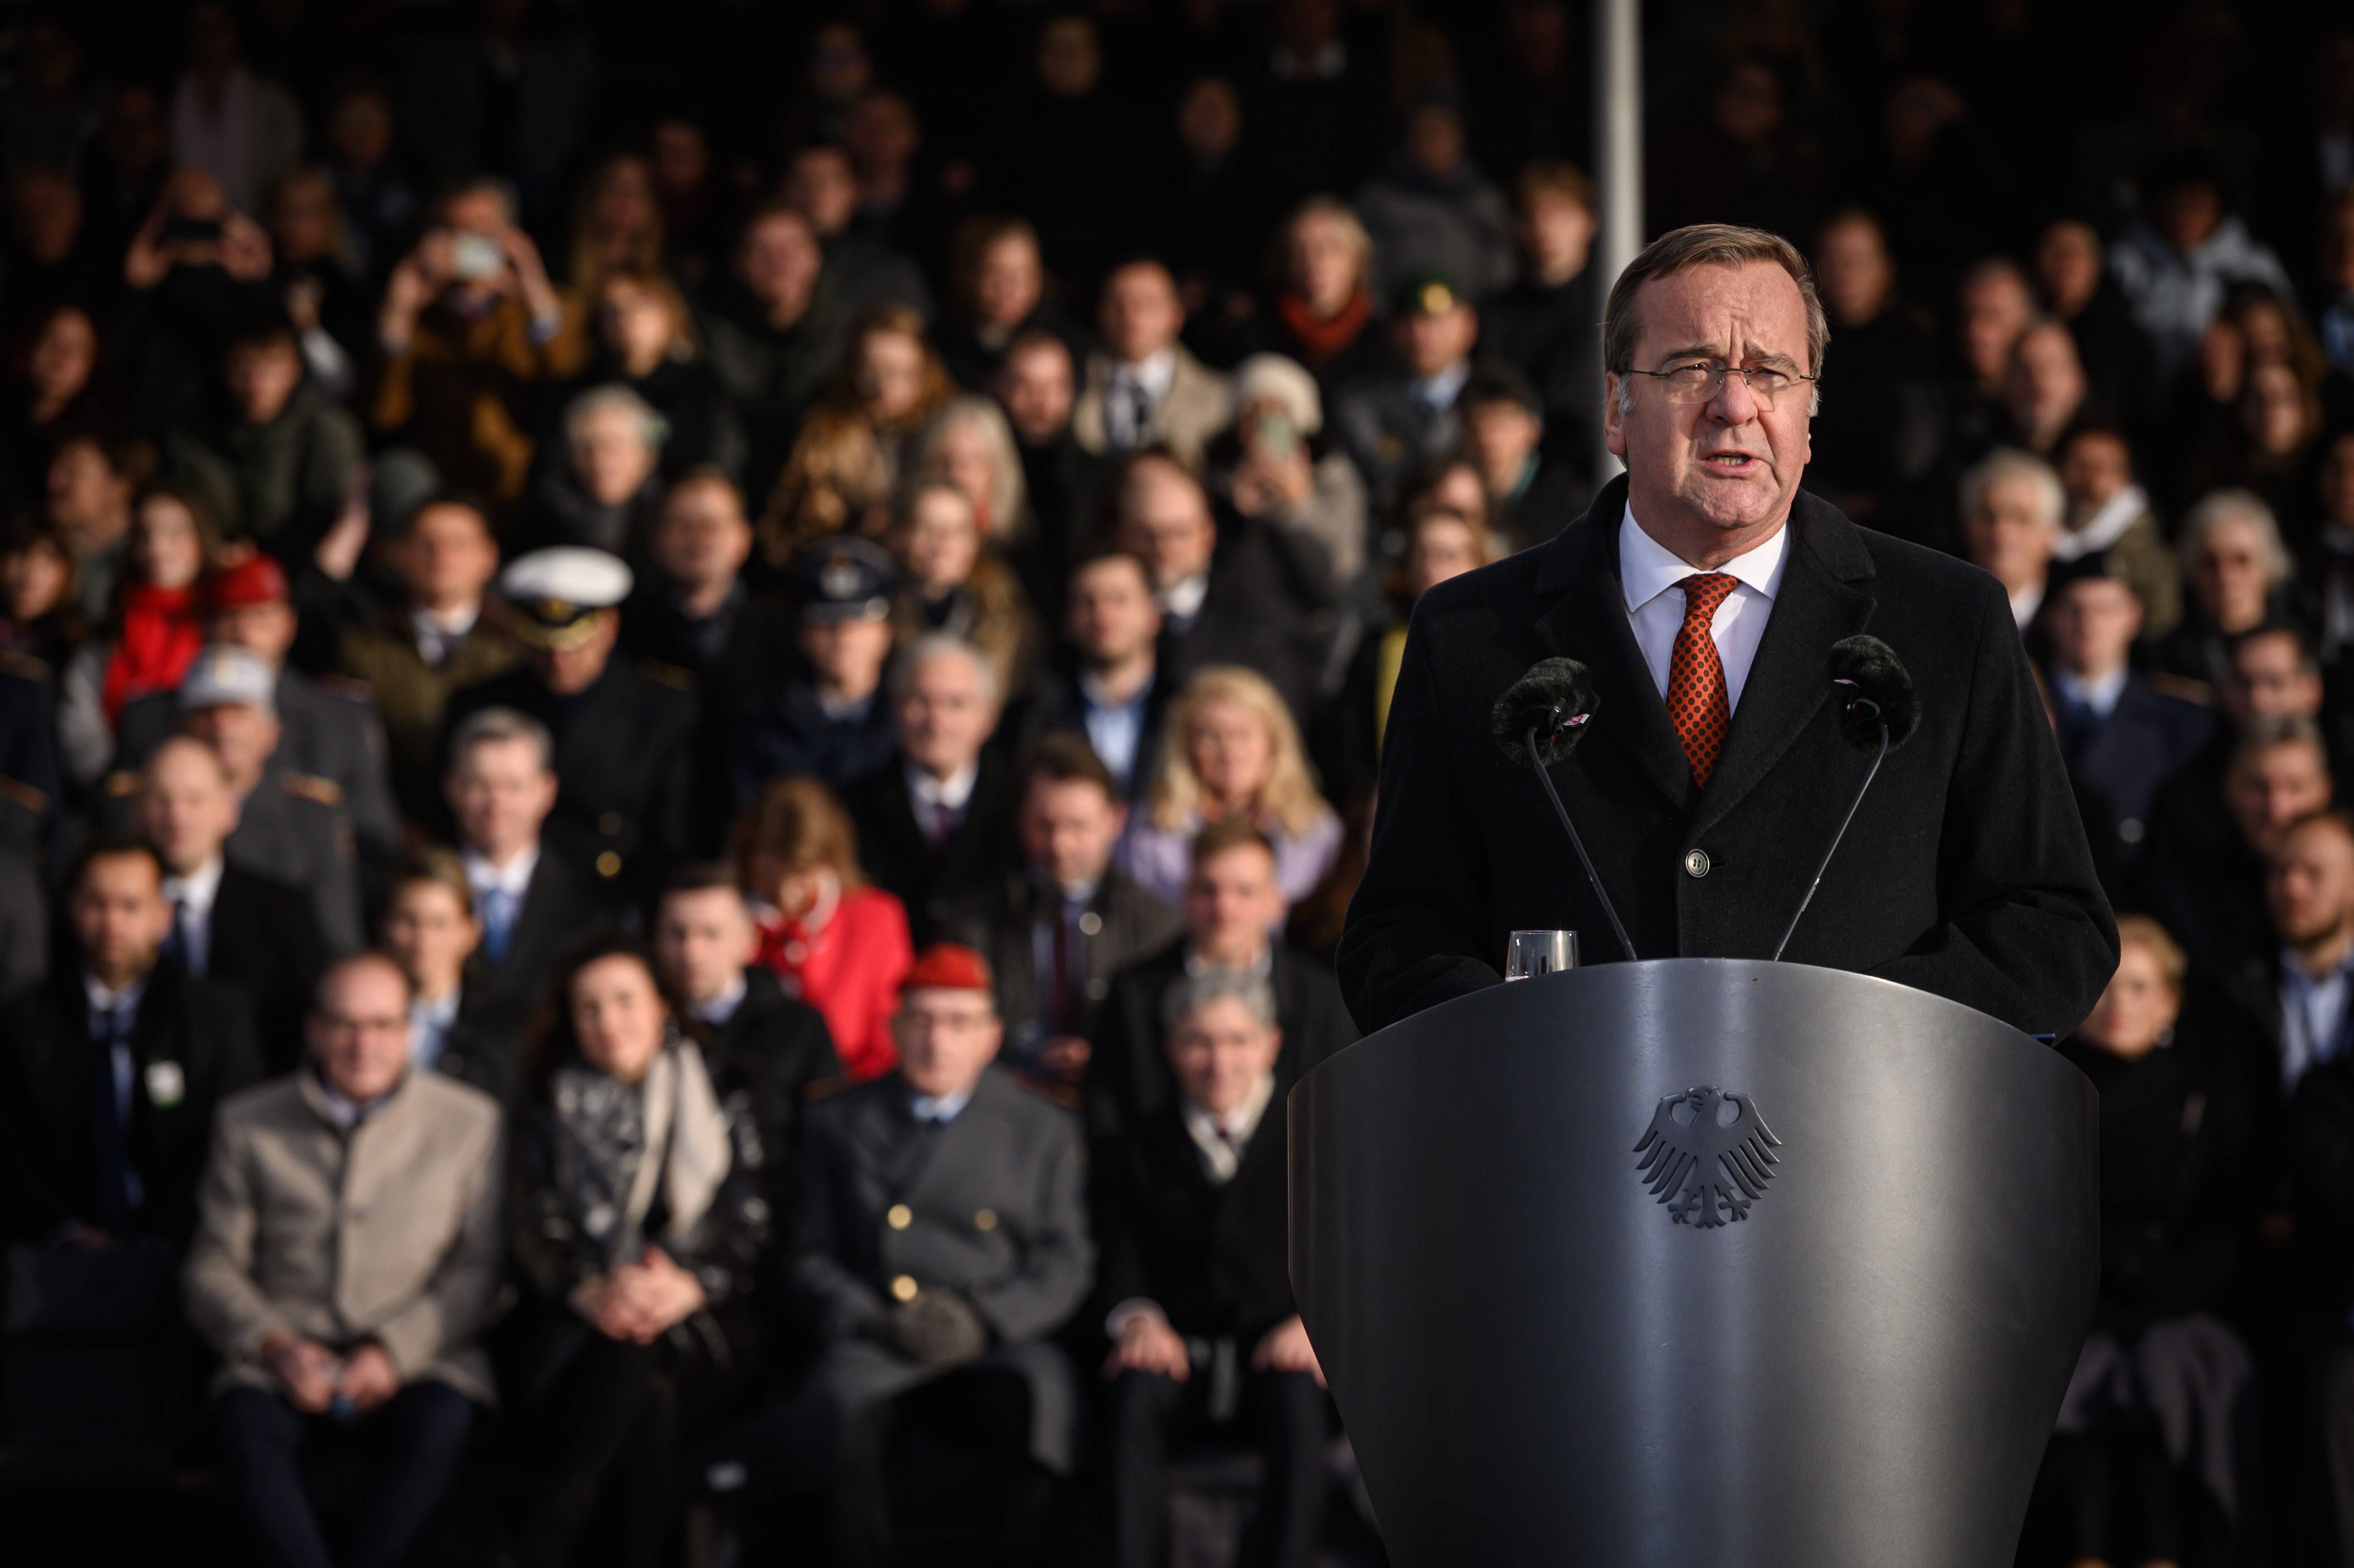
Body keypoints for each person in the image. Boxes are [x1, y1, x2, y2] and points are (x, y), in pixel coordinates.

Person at [1341, 223, 2117, 1037]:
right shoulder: (1468, 635)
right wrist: (1536, 1048)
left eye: (1772, 374)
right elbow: (1398, 937)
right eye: (1692, 368)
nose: (1735, 405)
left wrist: (1857, 1038)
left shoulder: (1949, 624)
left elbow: (2053, 925)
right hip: (1569, 1146)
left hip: (1862, 1145)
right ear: (1616, 408)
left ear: (1809, 416)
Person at [709, 944, 1092, 1567]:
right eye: (922, 1021)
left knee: (1038, 1417)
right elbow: (808, 1256)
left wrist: (987, 1321)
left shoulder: (1042, 1126)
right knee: (835, 1423)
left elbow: (1065, 1261)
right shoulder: (840, 1119)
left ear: (992, 1036)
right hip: (879, 1330)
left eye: (960, 1023)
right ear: (894, 1028)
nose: (938, 1041)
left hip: (999, 1332)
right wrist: (869, 1318)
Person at [182, 952, 502, 1568]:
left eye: (383, 1025)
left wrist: (393, 1351)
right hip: (285, 1354)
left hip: (420, 1356)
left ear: (409, 1032)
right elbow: (211, 1265)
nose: (364, 1044)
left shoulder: (469, 1123)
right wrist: (274, 1344)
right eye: (345, 1024)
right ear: (314, 1030)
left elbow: (479, 1270)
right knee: (243, 1424)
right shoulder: (250, 1123)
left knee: (441, 1423)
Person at [502, 935, 771, 1568]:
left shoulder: (724, 1091)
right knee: (643, 1385)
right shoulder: (547, 1104)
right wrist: (592, 1289)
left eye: (625, 1001)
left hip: (706, 1321)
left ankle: (542, 1538)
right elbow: (533, 1221)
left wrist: (690, 1284)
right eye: (588, 1008)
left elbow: (751, 1219)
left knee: (643, 1367)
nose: (608, 1022)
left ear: (661, 1008)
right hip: (583, 1325)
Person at [1094, 968, 1328, 1568]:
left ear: (1271, 1042)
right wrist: (1137, 1318)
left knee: (1299, 1400)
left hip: (1284, 1348)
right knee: (1130, 1396)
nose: (1218, 1060)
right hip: (1180, 1351)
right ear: (1171, 1046)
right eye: (1199, 1041)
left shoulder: (1319, 1131)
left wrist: (1316, 1324)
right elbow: (1118, 1250)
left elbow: (1353, 1249)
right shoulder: (1138, 1142)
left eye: (1238, 1040)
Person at [2047, 917, 2256, 1568]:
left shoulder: (2205, 1097)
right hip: (2068, 1309)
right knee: (2072, 1389)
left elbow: (2229, 1219)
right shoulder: (2043, 1089)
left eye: (2139, 987)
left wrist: (2166, 1297)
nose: (2120, 1004)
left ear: (2170, 1001)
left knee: (2169, 1382)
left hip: (2175, 1306)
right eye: (2107, 987)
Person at [0, 835, 262, 1252]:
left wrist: (161, 1236)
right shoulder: (23, 1022)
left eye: (131, 906)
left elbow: (234, 1140)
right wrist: (64, 1231)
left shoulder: (216, 1019)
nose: (113, 924)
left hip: (184, 1255)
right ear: (71, 907)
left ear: (164, 915)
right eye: (97, 903)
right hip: (49, 1262)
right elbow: (11, 1150)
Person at [112, 552, 401, 881]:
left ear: (288, 625)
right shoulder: (149, 716)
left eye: (261, 620)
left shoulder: (338, 717)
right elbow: (119, 825)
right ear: (205, 628)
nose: (245, 637)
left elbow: (373, 840)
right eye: (232, 620)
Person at [443, 547, 698, 902]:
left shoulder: (662, 709)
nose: (559, 661)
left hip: (613, 894)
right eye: (543, 646)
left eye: (575, 645)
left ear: (608, 627)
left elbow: (672, 832)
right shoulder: (481, 702)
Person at [1090, 817, 1357, 1143]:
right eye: (1208, 890)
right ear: (1186, 894)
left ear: (1275, 902)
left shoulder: (1323, 1001)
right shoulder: (1132, 995)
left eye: (1244, 892)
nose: (1224, 908)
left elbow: (1342, 1116)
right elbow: (1108, 1117)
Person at [944, 734, 1184, 1081]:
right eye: (1045, 825)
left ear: (1114, 820)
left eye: (1078, 826)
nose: (1060, 845)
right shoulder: (973, 923)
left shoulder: (1156, 924)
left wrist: (1106, 1054)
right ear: (1020, 819)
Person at [652, 863, 842, 1230]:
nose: (692, 951)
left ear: (748, 941)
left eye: (711, 934)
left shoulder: (800, 1029)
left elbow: (827, 1149)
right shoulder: (639, 1032)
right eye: (677, 933)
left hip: (774, 1234)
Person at [370, 176, 576, 504]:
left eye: (483, 229)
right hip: (439, 489)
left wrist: (534, 291)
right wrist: (398, 314)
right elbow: (385, 414)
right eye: (455, 230)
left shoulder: (554, 305)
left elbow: (568, 382)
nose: (468, 241)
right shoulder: (416, 314)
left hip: (524, 490)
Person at [139, 735, 327, 1070]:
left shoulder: (284, 911)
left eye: (194, 800)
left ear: (228, 811)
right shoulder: (110, 905)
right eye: (162, 799)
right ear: (140, 809)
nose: (177, 816)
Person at [336, 494, 522, 826]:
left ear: (488, 557)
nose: (442, 556)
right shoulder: (364, 649)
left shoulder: (517, 650)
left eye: (459, 544)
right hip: (394, 824)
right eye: (427, 543)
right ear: (400, 554)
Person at [171, 644, 364, 955]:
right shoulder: (147, 812)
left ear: (270, 731)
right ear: (181, 728)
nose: (222, 727)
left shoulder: (311, 818)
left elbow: (337, 938)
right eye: (207, 713)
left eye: (239, 712)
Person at [1111, 453, 1318, 723]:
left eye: (1179, 533)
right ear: (1122, 536)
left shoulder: (1257, 613)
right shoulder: (1098, 611)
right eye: (1148, 535)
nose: (1163, 549)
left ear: (1208, 535)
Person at [843, 634, 1020, 946]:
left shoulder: (1020, 805)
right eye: (921, 701)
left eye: (956, 703)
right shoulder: (850, 807)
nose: (937, 721)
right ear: (895, 708)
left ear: (989, 717)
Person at [1118, 665, 1342, 911]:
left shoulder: (1316, 831)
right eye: (1211, 736)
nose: (1229, 751)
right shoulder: (1149, 832)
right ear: (1186, 747)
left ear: (1274, 743)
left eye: (1244, 734)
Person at [741, 775, 913, 1082]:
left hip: (849, 1098)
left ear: (830, 861)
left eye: (801, 874)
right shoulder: (724, 922)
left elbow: (889, 1037)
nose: (785, 892)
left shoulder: (875, 918)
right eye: (770, 871)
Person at [441, 705, 612, 1014]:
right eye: (481, 785)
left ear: (546, 792)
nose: (497, 803)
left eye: (513, 786)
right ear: (453, 788)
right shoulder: (413, 891)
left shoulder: (588, 903)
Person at [2043, 567, 2215, 866]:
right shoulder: (2015, 709)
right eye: (2074, 608)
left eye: (2105, 609)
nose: (2088, 623)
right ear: (2050, 618)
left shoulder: (2182, 722)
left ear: (2133, 616)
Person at [2142, 716, 2335, 975]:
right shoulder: (2180, 887)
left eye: (2295, 788)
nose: (2276, 808)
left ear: (2324, 790)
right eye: (2258, 788)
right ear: (2229, 786)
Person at [165, 307, 364, 556]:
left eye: (272, 367)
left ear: (295, 369)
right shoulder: (194, 435)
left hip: (305, 574)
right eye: (244, 367)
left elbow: (334, 518)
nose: (257, 384)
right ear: (224, 368)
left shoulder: (327, 430)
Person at [698, 203, 848, 505]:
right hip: (732, 492)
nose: (778, 262)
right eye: (761, 250)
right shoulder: (710, 333)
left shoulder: (847, 335)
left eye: (791, 248)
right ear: (738, 263)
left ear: (815, 259)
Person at [733, 536, 902, 798]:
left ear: (886, 631)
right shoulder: (765, 729)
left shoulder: (911, 723)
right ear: (803, 633)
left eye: (859, 619)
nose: (843, 634)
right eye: (826, 620)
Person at [1018, 548, 1170, 802]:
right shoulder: (1033, 716)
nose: (1103, 615)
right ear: (1068, 619)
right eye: (1088, 602)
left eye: (1119, 600)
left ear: (1153, 615)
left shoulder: (1184, 709)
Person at [1205, 353, 1364, 593]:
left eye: (1276, 414)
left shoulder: (1333, 476)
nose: (1261, 426)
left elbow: (1344, 566)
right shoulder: (1216, 477)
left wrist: (1301, 505)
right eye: (1252, 414)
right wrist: (1236, 512)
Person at [379, 848, 526, 1105]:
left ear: (471, 933)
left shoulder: (502, 1031)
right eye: (408, 921)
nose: (423, 940)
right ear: (386, 927)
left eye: (439, 923)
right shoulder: (354, 1018)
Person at [1333, 274, 1482, 512]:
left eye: (1435, 321)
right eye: (1409, 321)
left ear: (1469, 325)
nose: (1421, 334)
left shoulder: (1495, 400)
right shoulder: (1360, 407)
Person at [887, 479, 1042, 703]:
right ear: (901, 536)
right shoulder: (877, 616)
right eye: (926, 528)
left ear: (974, 541)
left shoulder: (1011, 624)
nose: (941, 543)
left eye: (956, 530)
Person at [1073, 258, 1233, 470]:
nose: (1131, 314)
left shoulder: (1221, 400)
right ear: (1100, 312)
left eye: (1148, 302)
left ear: (1176, 315)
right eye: (1118, 302)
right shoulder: (1069, 389)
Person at [1245, 198, 1390, 399]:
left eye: (1331, 247)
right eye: (1300, 250)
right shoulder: (1258, 336)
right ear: (1286, 262)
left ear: (1356, 257)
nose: (1315, 261)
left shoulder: (1386, 345)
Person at [2156, 491, 2297, 694]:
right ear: (2192, 571)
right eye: (2210, 563)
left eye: (2242, 560)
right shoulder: (2164, 660)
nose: (2226, 577)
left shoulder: (2300, 651)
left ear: (2268, 566)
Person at [2052, 423, 2181, 640]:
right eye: (2081, 466)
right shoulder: (2041, 532)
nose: (2092, 479)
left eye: (2104, 468)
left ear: (2126, 476)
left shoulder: (2147, 547)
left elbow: (2162, 617)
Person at [516, 384, 667, 559]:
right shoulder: (540, 521)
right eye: (586, 449)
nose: (600, 462)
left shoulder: (671, 520)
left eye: (614, 446)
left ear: (647, 456)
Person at [1957, 446, 2065, 641]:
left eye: (2021, 518)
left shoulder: (2074, 622)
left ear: (2052, 533)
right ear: (1966, 526)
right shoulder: (1936, 613)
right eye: (1987, 516)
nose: (2001, 532)